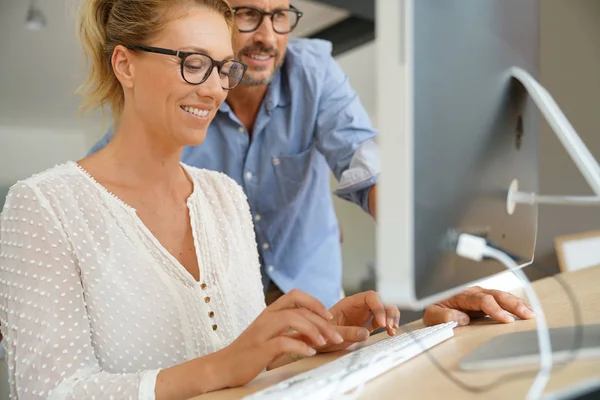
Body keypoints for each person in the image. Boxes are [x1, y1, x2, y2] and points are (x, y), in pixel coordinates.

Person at [0, 1, 407, 398]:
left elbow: (249, 361)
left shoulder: (225, 196)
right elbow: (49, 391)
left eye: (224, 68)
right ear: (124, 64)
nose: (215, 89)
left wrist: (320, 333)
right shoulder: (45, 206)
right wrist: (221, 366)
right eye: (193, 63)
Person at [90, 0, 538, 322]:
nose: (267, 36)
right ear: (214, 17)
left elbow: (368, 167)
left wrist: (440, 272)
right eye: (247, 15)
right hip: (221, 310)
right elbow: (110, 183)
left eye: (280, 16)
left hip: (316, 297)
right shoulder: (183, 98)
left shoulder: (313, 73)